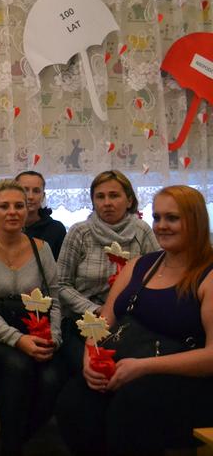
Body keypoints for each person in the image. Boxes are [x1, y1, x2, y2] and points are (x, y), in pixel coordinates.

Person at [56, 185, 213, 455]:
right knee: (75, 401)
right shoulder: (139, 265)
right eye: (157, 217)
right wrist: (90, 359)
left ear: (196, 221)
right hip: (127, 368)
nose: (161, 226)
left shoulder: (207, 275)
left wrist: (143, 367)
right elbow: (101, 323)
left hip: (187, 380)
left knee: (131, 407)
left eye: (172, 218)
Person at [0, 179, 64, 456]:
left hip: (34, 331)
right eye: (4, 206)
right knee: (17, 365)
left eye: (19, 206)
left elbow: (55, 300)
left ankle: (16, 439)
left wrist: (53, 337)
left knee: (54, 378)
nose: (12, 212)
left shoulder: (42, 248)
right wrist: (17, 340)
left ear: (28, 210)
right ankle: (12, 448)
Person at [57, 170, 159, 372]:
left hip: (129, 321)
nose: (107, 203)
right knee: (91, 370)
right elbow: (60, 284)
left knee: (125, 371)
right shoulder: (79, 232)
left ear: (129, 200)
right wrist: (96, 310)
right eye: (100, 197)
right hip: (83, 319)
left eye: (114, 195)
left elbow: (157, 276)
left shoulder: (142, 231)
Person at [15, 171, 66, 260]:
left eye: (36, 191)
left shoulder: (56, 229)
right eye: (25, 190)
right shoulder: (1, 228)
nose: (30, 196)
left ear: (43, 196)